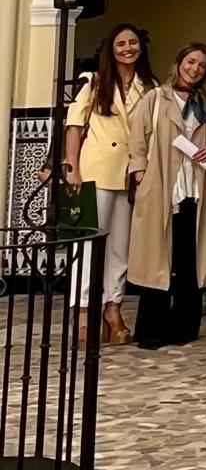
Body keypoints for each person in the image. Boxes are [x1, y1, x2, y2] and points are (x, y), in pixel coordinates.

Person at [126, 43, 206, 349]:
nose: (195, 69)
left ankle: (185, 326)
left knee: (189, 257)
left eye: (201, 65)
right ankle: (151, 329)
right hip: (162, 186)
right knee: (157, 258)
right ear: (179, 62)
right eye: (190, 62)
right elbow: (138, 138)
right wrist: (140, 174)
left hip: (196, 188)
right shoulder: (157, 98)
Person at [63, 22, 157, 346]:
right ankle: (83, 311)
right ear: (111, 50)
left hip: (131, 173)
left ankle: (113, 307)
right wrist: (72, 168)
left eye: (133, 42)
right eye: (121, 44)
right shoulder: (93, 82)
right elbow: (74, 126)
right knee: (89, 244)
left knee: (120, 246)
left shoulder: (150, 86)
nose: (128, 48)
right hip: (97, 169)